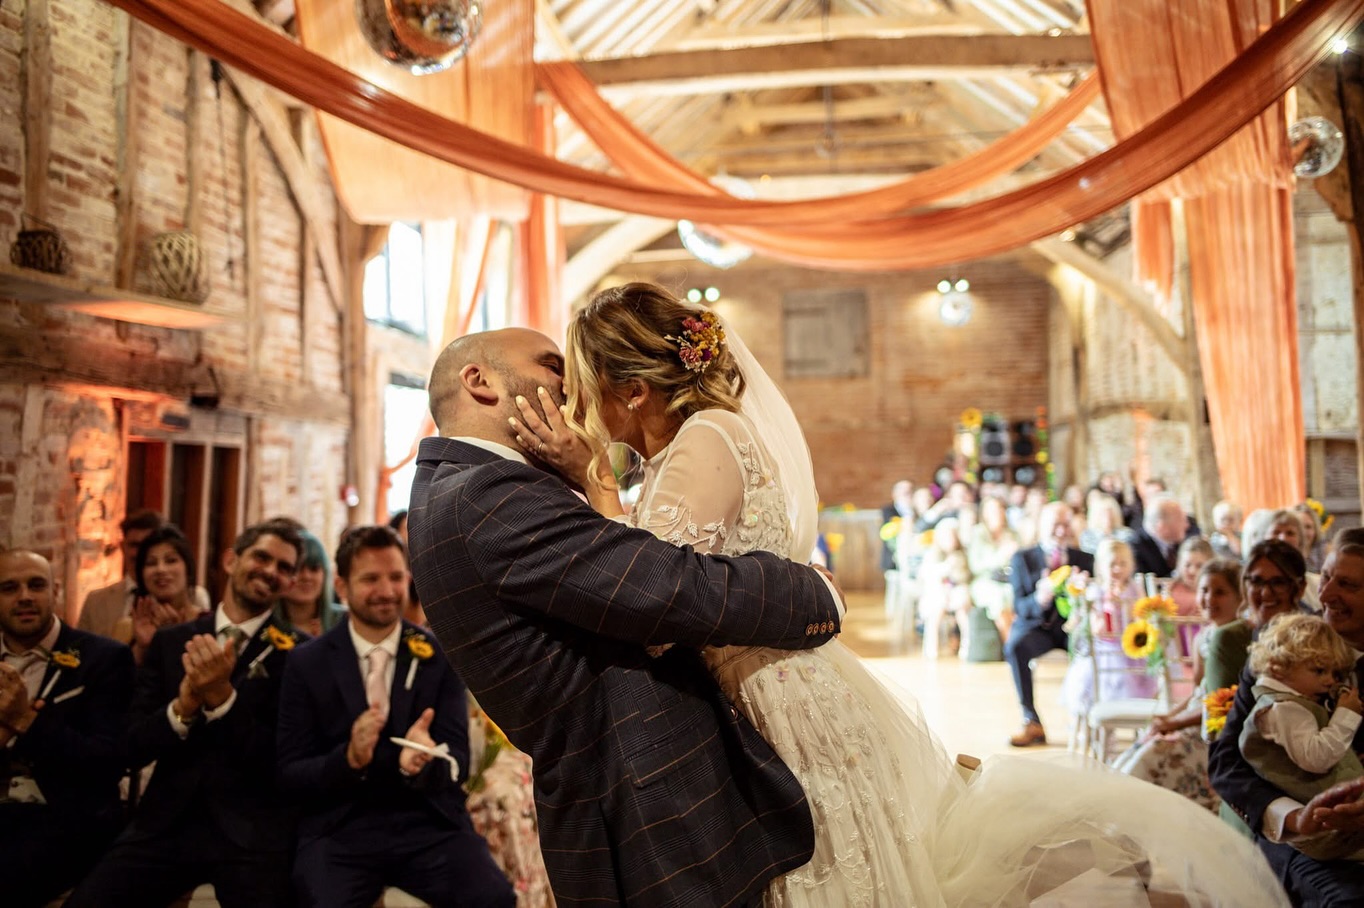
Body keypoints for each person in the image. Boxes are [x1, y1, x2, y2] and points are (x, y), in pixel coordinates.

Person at [516, 283, 1284, 907]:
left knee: (832, 874)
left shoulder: (700, 445)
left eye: (586, 391)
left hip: (771, 697)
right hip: (779, 681)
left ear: (636, 390)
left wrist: (593, 485)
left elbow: (653, 601)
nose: (581, 411)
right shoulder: (705, 438)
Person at [407, 325, 844, 908]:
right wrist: (811, 593)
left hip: (626, 789)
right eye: (549, 366)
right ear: (479, 381)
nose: (569, 389)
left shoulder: (458, 486)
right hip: (650, 800)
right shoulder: (485, 494)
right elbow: (663, 587)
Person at [67, 519, 309, 908]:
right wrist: (181, 709)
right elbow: (130, 745)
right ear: (231, 560)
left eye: (284, 567)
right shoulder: (171, 642)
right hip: (166, 826)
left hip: (251, 833)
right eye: (261, 557)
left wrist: (223, 700)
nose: (270, 571)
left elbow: (283, 760)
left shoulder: (302, 655)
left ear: (292, 584)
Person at [277, 525, 514, 908]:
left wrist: (422, 762)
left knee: (493, 897)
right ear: (341, 586)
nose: (387, 591)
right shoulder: (307, 663)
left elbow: (457, 762)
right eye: (370, 578)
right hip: (340, 829)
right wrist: (349, 760)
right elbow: (290, 772)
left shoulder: (437, 656)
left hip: (426, 825)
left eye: (395, 577)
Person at [0, 550, 134, 907]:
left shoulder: (104, 659)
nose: (25, 596)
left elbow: (107, 762)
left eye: (36, 585)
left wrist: (26, 722)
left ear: (56, 591)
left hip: (66, 817)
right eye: (9, 588)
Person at [1113, 559, 1245, 810]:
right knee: (1140, 747)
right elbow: (1199, 691)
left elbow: (1222, 701)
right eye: (1204, 590)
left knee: (1154, 756)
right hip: (1193, 714)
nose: (1209, 599)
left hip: (1215, 726)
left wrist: (1176, 723)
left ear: (1239, 598)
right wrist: (1168, 717)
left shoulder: (1238, 640)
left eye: (1220, 592)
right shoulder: (1202, 638)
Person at [1237, 613, 1364, 861]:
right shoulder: (1286, 708)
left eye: (1333, 673)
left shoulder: (1286, 703)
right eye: (1319, 670)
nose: (1329, 681)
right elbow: (1317, 758)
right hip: (1329, 830)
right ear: (1279, 666)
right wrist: (1346, 715)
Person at [1003, 501, 1094, 747]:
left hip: (1071, 630)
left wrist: (1083, 596)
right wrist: (1039, 599)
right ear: (1042, 526)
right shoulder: (1023, 558)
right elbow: (1019, 607)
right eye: (1056, 525)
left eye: (1066, 525)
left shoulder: (1085, 559)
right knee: (1015, 646)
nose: (1062, 531)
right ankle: (1031, 720)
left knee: (1094, 647)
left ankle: (1087, 719)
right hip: (1037, 628)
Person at [1059, 539, 1155, 724]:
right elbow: (1098, 630)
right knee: (1095, 681)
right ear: (1101, 567)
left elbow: (1143, 618)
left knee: (1136, 677)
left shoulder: (1135, 590)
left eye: (1123, 564)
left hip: (1131, 650)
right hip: (1103, 650)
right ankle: (1099, 730)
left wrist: (1128, 608)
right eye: (1112, 564)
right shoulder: (1097, 592)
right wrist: (1107, 607)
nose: (1117, 569)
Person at [125, 525, 210, 665]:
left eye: (171, 560)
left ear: (188, 568)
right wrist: (142, 647)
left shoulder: (208, 624)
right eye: (151, 563)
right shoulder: (126, 627)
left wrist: (175, 637)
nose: (161, 569)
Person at [275, 529, 344, 637]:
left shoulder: (346, 621)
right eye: (298, 569)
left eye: (314, 569)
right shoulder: (263, 625)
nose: (307, 577)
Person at [1129, 494, 1189, 578]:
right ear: (1162, 527)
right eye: (1180, 520)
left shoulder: (1182, 543)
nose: (1187, 525)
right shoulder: (1134, 549)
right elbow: (1145, 585)